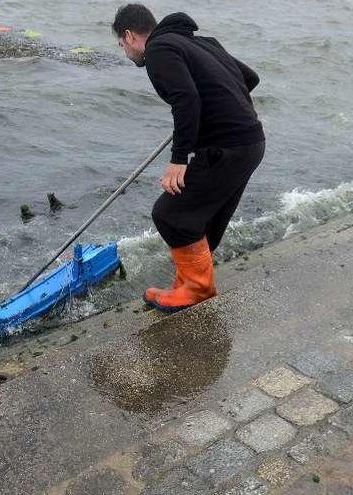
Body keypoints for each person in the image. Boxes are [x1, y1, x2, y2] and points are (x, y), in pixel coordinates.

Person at [112, 4, 266, 312]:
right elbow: (250, 78)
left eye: (120, 44)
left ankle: (197, 288)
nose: (124, 51)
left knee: (170, 214)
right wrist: (224, 107)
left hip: (226, 147)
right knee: (203, 220)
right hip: (251, 142)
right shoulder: (203, 43)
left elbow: (187, 98)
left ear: (129, 36)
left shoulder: (158, 49)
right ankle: (187, 284)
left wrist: (178, 158)